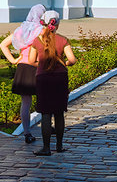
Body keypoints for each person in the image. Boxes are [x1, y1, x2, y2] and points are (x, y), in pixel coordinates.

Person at [27, 10, 77, 156]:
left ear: (42, 22)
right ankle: (60, 146)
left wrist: (42, 65)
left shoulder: (37, 40)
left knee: (46, 114)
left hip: (43, 79)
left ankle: (46, 148)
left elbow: (31, 61)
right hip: (60, 79)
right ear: (57, 24)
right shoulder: (63, 40)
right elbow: (72, 60)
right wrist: (65, 64)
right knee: (59, 113)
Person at [0, 3, 46, 143]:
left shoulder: (21, 30)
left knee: (25, 102)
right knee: (44, 101)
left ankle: (27, 133)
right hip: (38, 67)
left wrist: (13, 60)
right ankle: (47, 129)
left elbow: (3, 44)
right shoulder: (41, 31)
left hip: (23, 68)